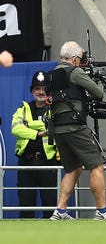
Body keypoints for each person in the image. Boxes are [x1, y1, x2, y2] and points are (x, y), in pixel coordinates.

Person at [48, 41, 106, 220]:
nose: (82, 63)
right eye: (80, 60)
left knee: (73, 169)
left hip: (58, 128)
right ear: (74, 59)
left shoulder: (52, 74)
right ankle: (102, 211)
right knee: (96, 165)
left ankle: (60, 210)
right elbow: (98, 93)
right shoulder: (75, 71)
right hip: (75, 126)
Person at [11, 71, 58, 218]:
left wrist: (30, 125)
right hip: (26, 163)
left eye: (44, 88)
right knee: (26, 204)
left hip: (48, 163)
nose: (41, 92)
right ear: (32, 90)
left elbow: (55, 129)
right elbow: (16, 129)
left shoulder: (55, 109)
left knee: (50, 206)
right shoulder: (23, 109)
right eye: (37, 88)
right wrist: (37, 132)